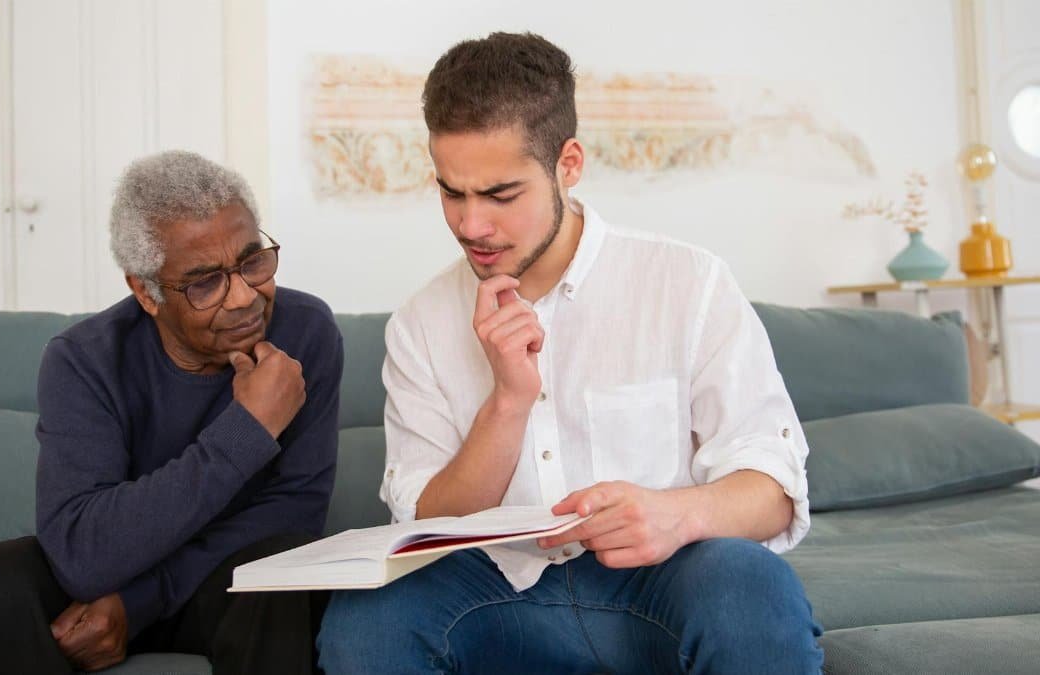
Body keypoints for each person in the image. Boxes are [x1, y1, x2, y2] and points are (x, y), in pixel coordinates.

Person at [318, 32, 823, 673]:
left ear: (569, 164)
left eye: (501, 195)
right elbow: (426, 525)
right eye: (452, 192)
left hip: (660, 583)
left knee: (748, 585)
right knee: (366, 619)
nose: (472, 225)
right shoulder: (420, 322)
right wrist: (507, 402)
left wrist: (675, 513)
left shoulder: (688, 282)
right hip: (494, 595)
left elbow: (775, 486)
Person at [0, 150, 341, 674]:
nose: (242, 297)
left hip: (225, 582)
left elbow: (296, 511)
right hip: (102, 581)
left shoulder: (307, 332)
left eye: (251, 260)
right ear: (145, 292)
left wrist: (141, 601)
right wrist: (248, 430)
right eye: (205, 281)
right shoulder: (84, 358)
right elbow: (82, 553)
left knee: (284, 575)